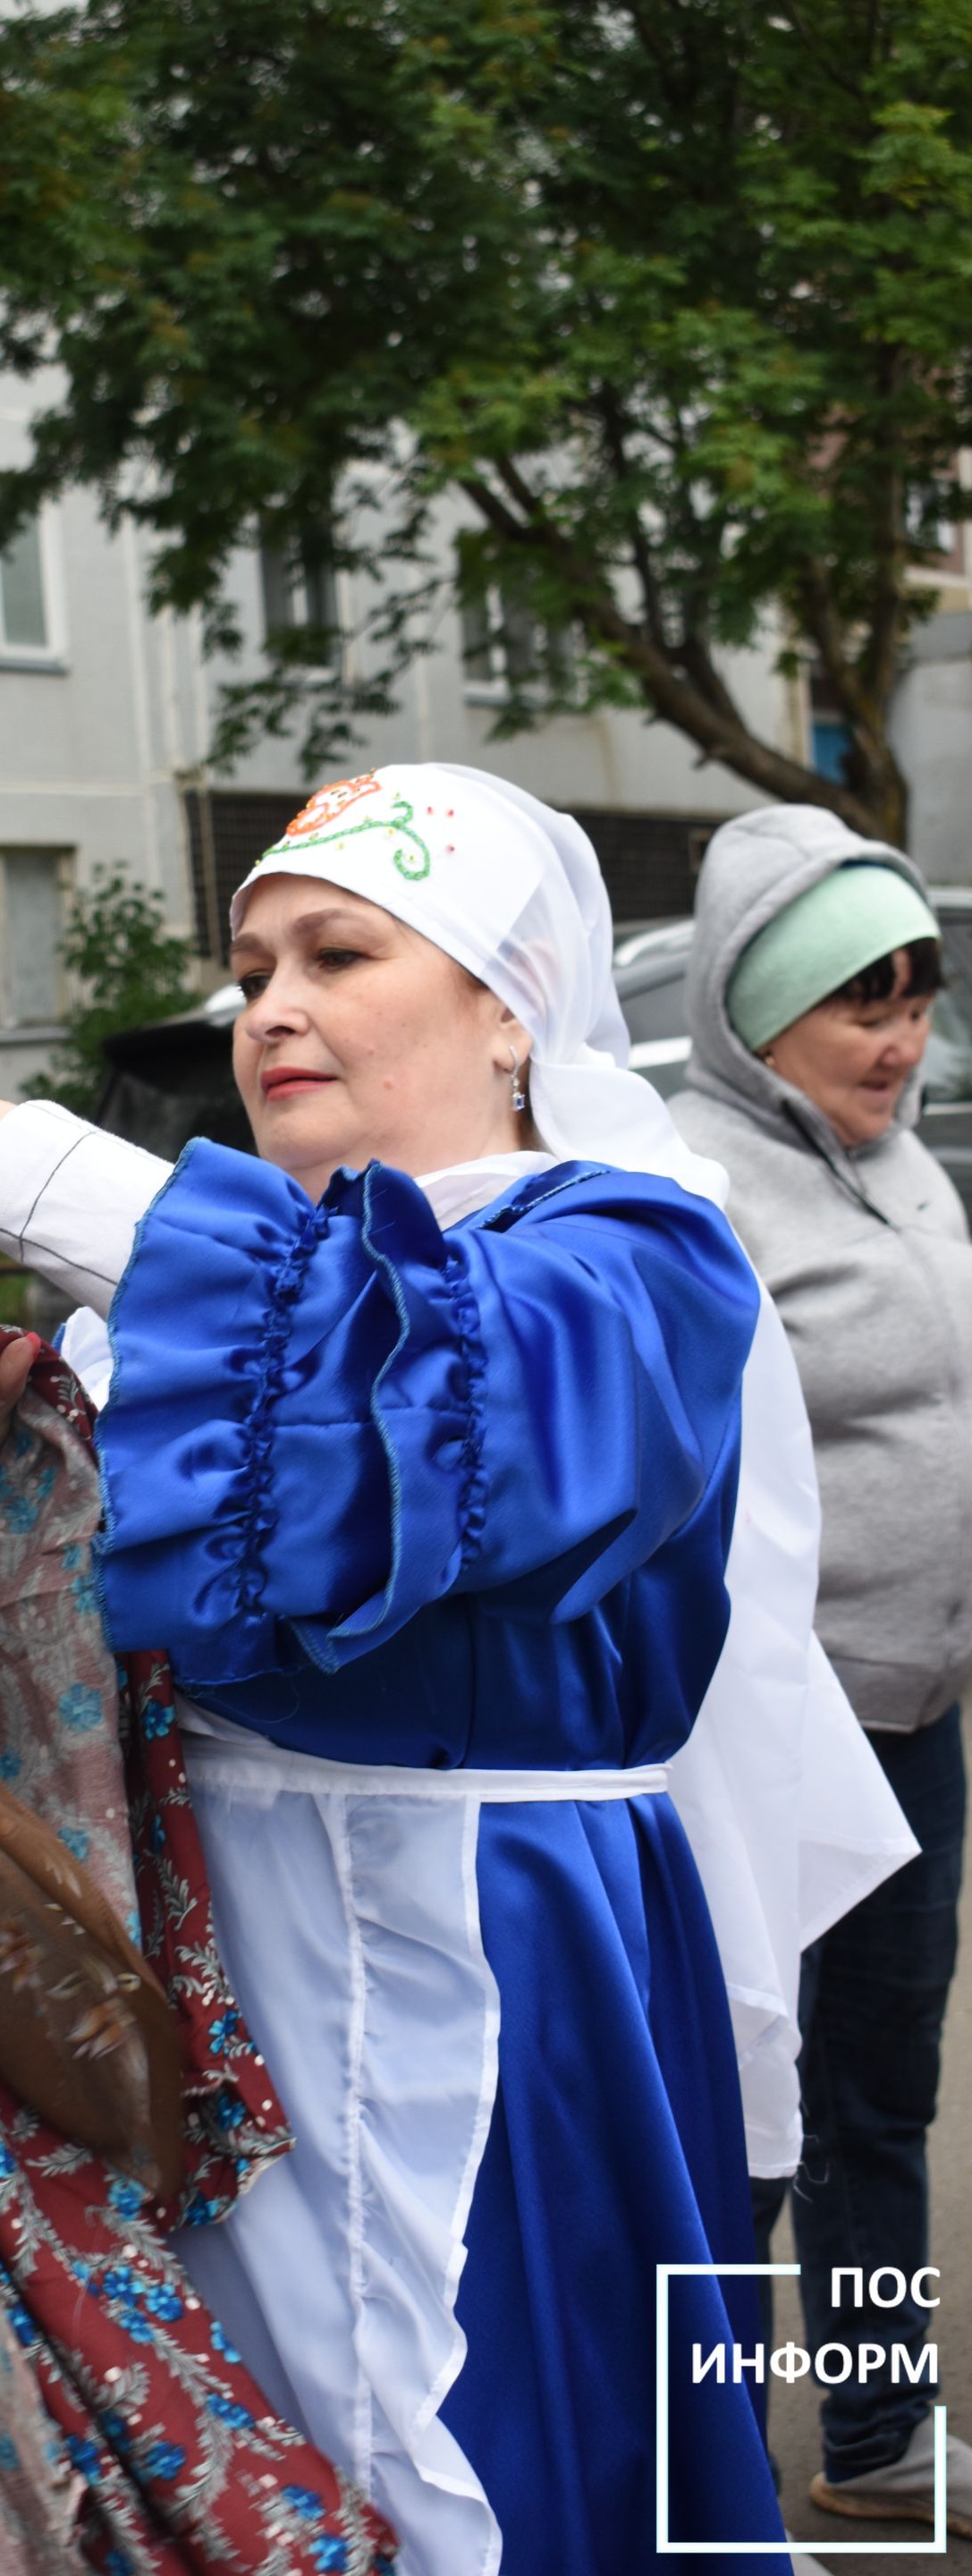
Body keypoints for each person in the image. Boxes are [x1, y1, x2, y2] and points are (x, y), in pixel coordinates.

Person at [0, 765, 900, 2576]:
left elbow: (457, 1413)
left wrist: (4, 1156)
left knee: (472, 2463)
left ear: (511, 1004)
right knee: (243, 2453)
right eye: (253, 961)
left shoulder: (627, 1244)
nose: (271, 1001)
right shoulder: (164, 1309)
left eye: (340, 951)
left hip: (481, 1956)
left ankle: (862, 2438)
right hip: (212, 1985)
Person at [674, 804, 972, 2538]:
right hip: (778, 1743)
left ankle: (874, 2441)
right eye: (858, 997)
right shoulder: (697, 1183)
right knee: (749, 2125)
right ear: (752, 1004)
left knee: (883, 2099)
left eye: (920, 991)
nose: (901, 1030)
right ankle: (698, 2468)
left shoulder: (907, 1155)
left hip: (918, 1723)